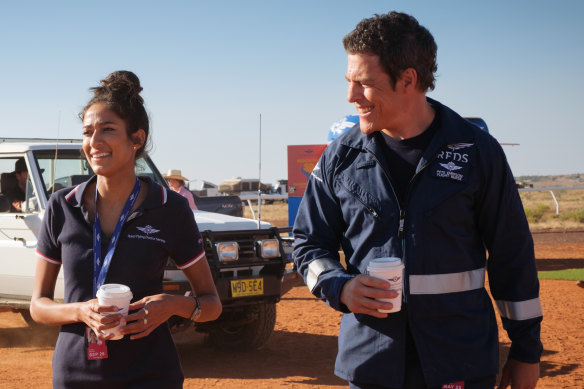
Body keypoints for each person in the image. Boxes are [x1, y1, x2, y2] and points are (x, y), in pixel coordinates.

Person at [293, 12, 542, 389]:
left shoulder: (478, 152)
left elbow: (512, 254)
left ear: (408, 79)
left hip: (460, 361)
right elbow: (308, 245)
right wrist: (339, 285)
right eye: (349, 82)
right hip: (370, 362)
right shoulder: (338, 158)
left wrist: (526, 349)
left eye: (364, 83)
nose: (351, 96)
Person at [30, 70, 222, 389]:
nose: (94, 142)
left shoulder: (169, 208)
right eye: (88, 132)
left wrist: (172, 305)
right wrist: (81, 311)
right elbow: (39, 306)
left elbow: (211, 304)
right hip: (76, 373)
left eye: (108, 130)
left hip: (150, 374)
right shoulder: (62, 206)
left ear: (137, 139)